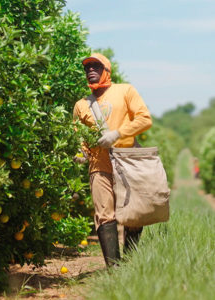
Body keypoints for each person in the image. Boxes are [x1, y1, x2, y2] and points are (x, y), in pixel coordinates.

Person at [73, 53, 152, 267]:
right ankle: (114, 270)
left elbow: (145, 119)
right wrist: (82, 153)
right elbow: (78, 135)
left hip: (127, 162)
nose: (90, 70)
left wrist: (117, 134)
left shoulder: (125, 91)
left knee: (134, 214)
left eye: (96, 66)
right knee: (104, 215)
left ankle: (130, 262)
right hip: (99, 165)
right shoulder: (81, 105)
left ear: (106, 70)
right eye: (87, 67)